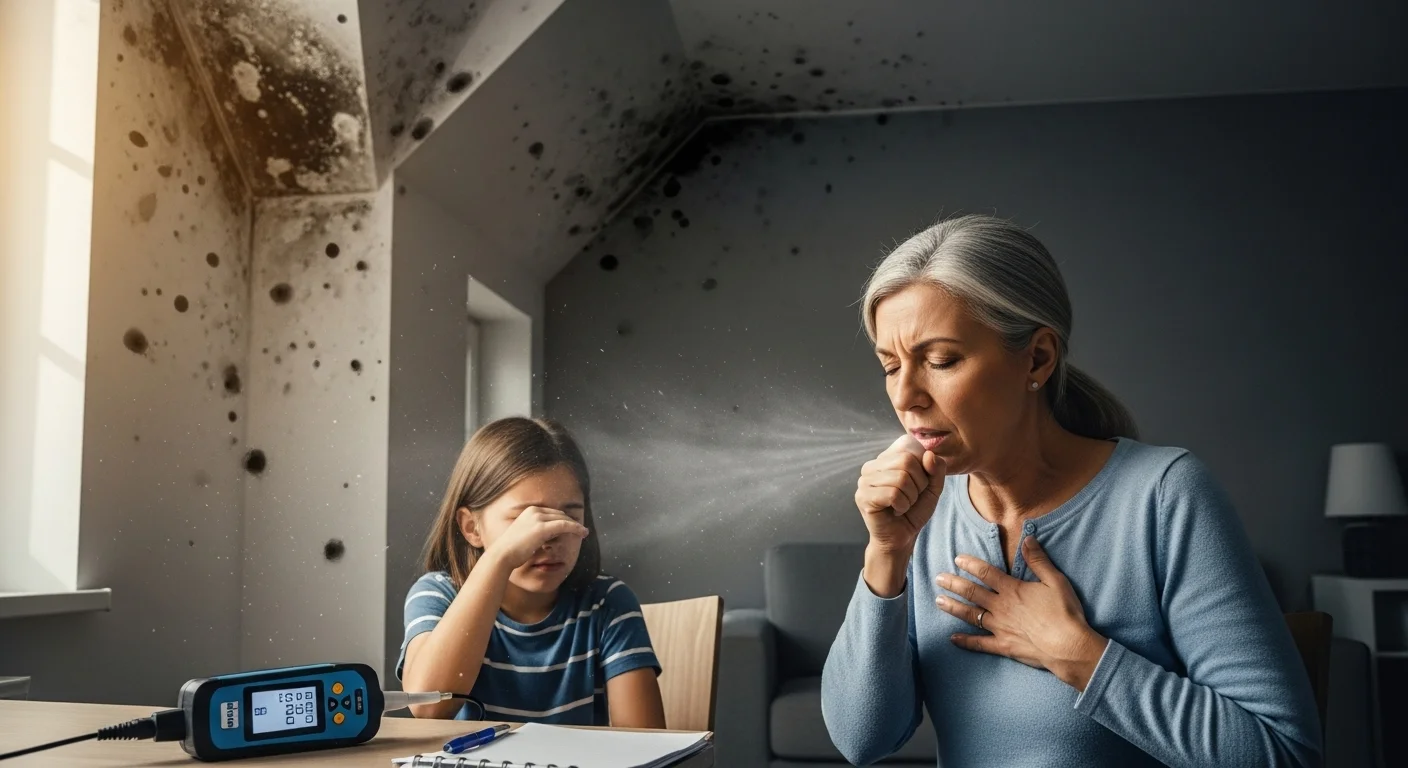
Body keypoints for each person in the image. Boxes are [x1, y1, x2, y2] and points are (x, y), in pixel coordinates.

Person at [822, 214, 1320, 767]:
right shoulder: (923, 516)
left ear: (1037, 357)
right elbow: (860, 741)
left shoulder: (1164, 497)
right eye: (890, 366)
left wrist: (1080, 656)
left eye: (940, 361)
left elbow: (1284, 754)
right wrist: (887, 554)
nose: (907, 395)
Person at [397, 417, 666, 728]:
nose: (548, 536)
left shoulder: (607, 603)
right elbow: (429, 706)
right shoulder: (438, 594)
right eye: (526, 520)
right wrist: (500, 560)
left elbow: (646, 745)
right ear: (472, 528)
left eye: (567, 516)